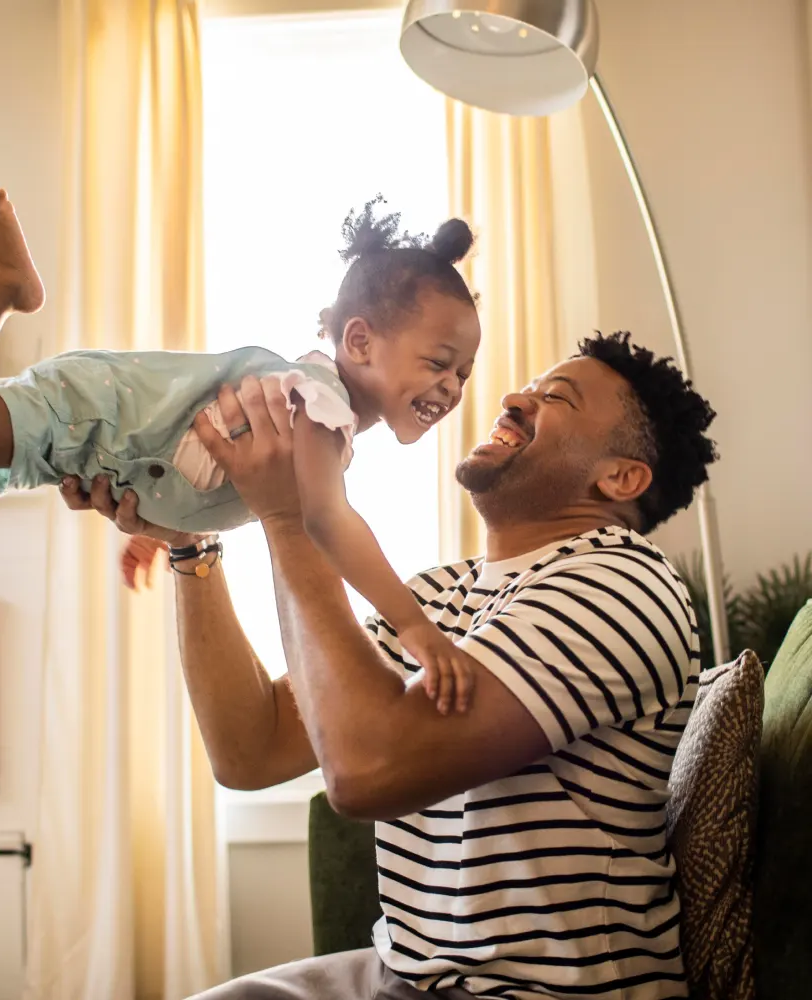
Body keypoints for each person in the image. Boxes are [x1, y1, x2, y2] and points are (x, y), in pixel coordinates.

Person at [62, 328, 717, 1000]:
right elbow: (249, 751)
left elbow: (365, 773)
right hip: (401, 974)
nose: (514, 398)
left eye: (556, 398)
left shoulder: (618, 584)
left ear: (620, 477)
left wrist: (291, 514)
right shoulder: (439, 595)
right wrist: (192, 544)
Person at [0, 130, 483, 710]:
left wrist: (160, 525)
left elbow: (192, 445)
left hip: (96, 430)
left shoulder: (312, 398)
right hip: (91, 418)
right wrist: (416, 629)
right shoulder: (319, 408)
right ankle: (1, 281)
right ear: (360, 340)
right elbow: (327, 521)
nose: (451, 386)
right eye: (438, 362)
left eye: (464, 372)